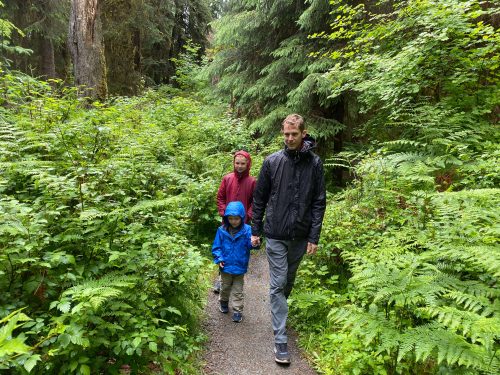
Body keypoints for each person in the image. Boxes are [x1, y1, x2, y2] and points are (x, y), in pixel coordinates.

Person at [251, 114, 326, 364]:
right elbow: (259, 198)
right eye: (286, 134)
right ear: (282, 134)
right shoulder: (272, 162)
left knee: (287, 283)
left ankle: (278, 308)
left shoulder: (314, 164)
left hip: (300, 235)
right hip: (275, 234)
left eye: (294, 134)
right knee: (278, 282)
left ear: (304, 133)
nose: (290, 138)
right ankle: (280, 340)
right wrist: (255, 230)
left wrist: (314, 235)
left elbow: (318, 202)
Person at [213, 150, 256, 293]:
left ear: (248, 164)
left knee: (238, 250)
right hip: (227, 223)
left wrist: (247, 216)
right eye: (237, 163)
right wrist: (224, 214)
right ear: (234, 163)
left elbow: (255, 202)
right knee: (224, 249)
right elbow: (220, 198)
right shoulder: (227, 179)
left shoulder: (252, 182)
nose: (239, 166)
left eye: (243, 163)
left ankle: (237, 279)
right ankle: (221, 279)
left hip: (242, 224)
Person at [212, 201, 257, 323]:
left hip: (239, 267)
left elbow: (251, 245)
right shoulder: (221, 230)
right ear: (226, 218)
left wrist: (255, 243)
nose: (233, 221)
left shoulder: (247, 230)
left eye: (236, 218)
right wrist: (219, 258)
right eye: (230, 218)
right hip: (225, 267)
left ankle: (237, 310)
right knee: (225, 287)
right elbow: (216, 247)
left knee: (238, 290)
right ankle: (223, 302)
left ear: (242, 217)